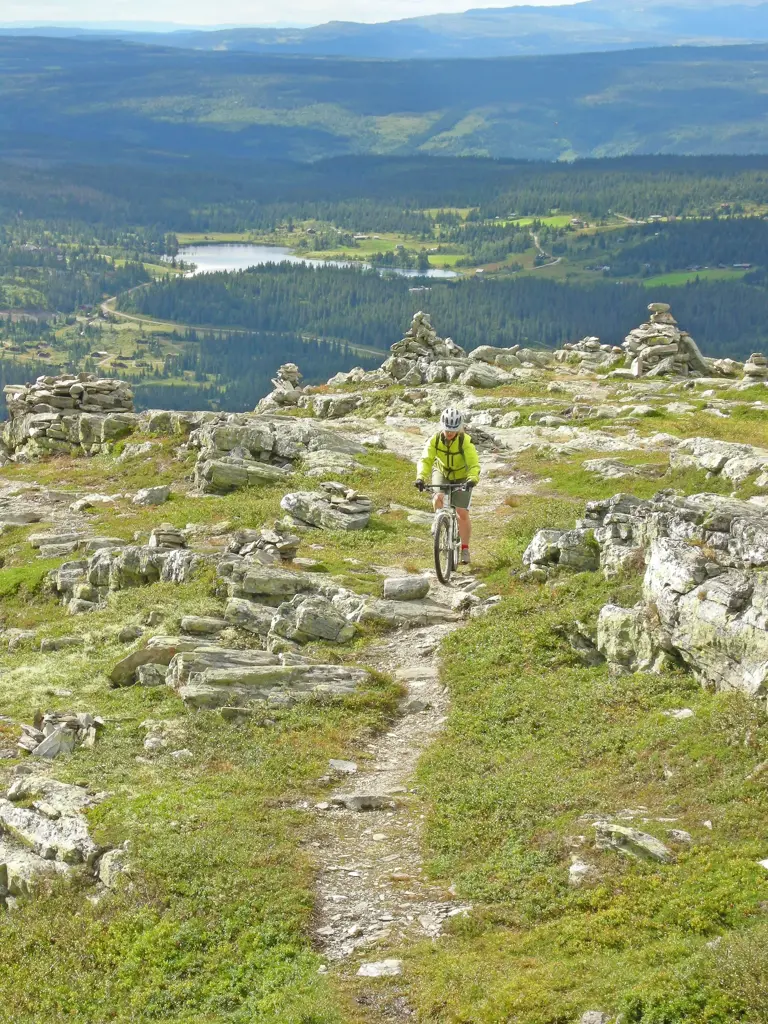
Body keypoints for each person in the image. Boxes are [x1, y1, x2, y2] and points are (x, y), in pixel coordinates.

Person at [415, 406, 480, 565]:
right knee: (438, 497)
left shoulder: (465, 441)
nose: (449, 433)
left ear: (459, 429)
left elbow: (473, 464)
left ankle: (464, 548)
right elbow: (426, 460)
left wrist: (472, 478)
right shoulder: (435, 440)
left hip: (462, 475)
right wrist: (421, 478)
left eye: (453, 430)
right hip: (442, 472)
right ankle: (438, 521)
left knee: (461, 512)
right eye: (447, 429)